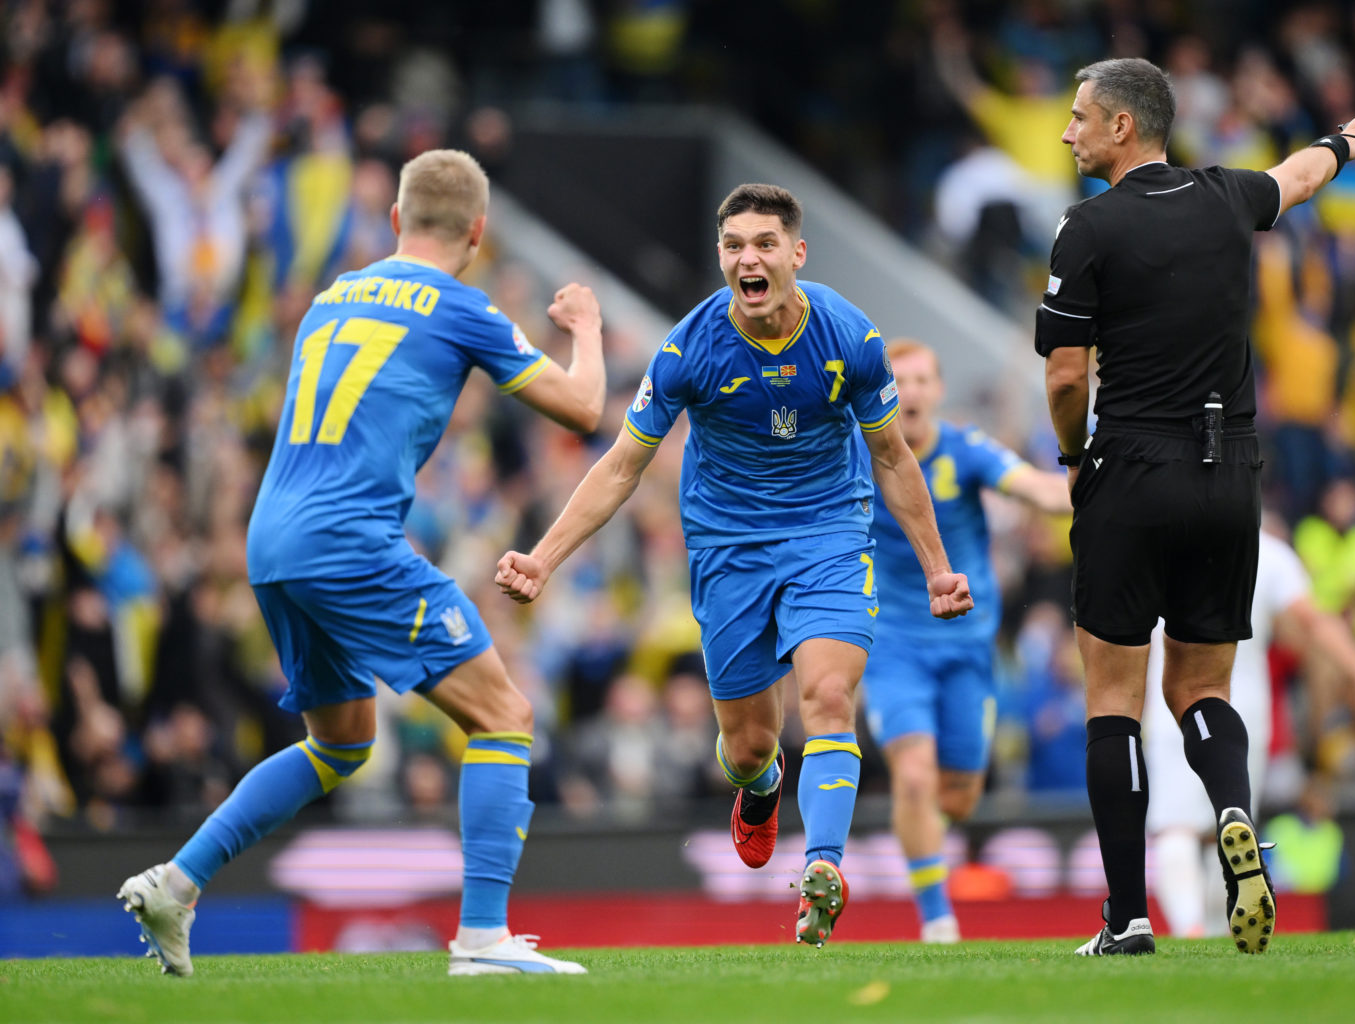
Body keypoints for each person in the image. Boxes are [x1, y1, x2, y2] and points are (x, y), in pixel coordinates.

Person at [118, 150, 607, 977]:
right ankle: (483, 940)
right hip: (349, 541)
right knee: (503, 716)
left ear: (395, 221)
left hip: (271, 540)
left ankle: (176, 881)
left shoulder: (329, 299)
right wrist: (587, 327)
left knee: (342, 741)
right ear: (478, 233)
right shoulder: (463, 305)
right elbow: (585, 407)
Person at [495, 183, 973, 948]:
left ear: (796, 254)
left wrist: (936, 566)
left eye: (763, 244)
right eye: (733, 246)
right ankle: (760, 791)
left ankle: (821, 869)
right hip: (729, 546)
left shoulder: (852, 338)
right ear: (722, 257)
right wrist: (544, 558)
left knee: (826, 696)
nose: (747, 258)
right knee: (751, 744)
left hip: (829, 535)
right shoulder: (688, 348)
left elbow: (891, 456)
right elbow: (622, 465)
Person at [1035, 57, 1355, 955]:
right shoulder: (1228, 195)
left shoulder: (1085, 228)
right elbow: (1302, 178)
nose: (1069, 132)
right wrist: (1346, 142)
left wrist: (1075, 456)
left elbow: (1067, 374)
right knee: (1202, 688)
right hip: (1231, 473)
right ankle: (1236, 813)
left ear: (1124, 127)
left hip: (1132, 469)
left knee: (1114, 699)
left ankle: (1125, 918)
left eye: (1081, 118)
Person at [862, 339, 1070, 942]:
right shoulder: (858, 451)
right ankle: (936, 918)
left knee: (957, 795)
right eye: (900, 380)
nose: (913, 392)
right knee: (915, 776)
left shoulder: (964, 449)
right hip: (893, 645)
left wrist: (1100, 481)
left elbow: (1037, 489)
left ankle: (935, 847)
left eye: (924, 379)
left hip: (967, 647)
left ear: (939, 391)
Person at [1144, 526, 1355, 938]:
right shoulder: (1268, 551)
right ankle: (1213, 933)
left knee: (1175, 829)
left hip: (1170, 702)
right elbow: (1313, 621)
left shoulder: (1159, 541)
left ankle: (1190, 928)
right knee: (1227, 829)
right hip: (1242, 709)